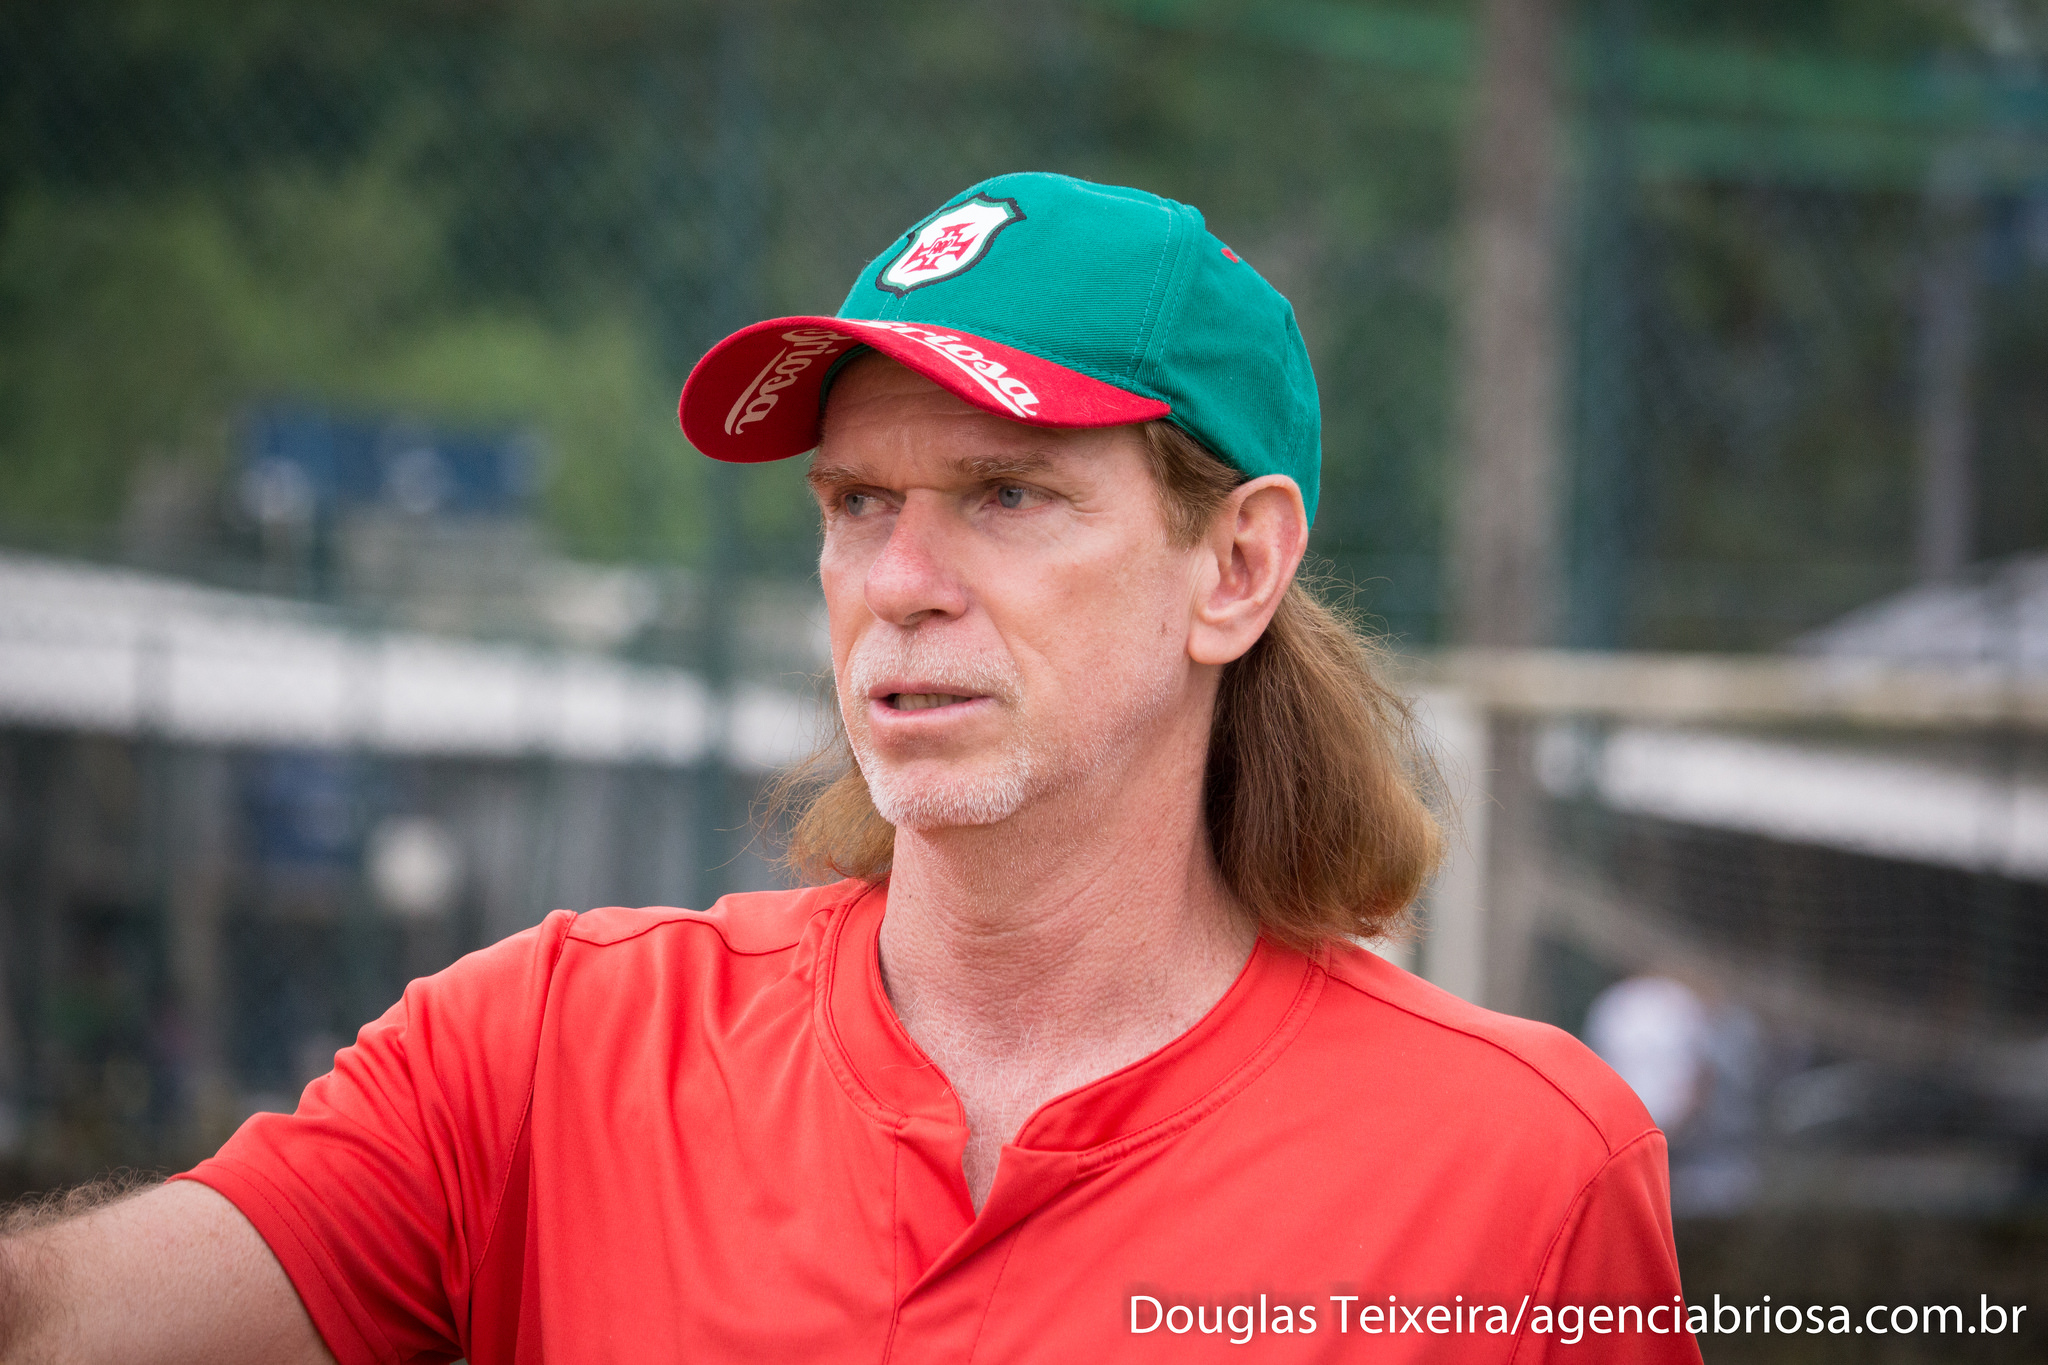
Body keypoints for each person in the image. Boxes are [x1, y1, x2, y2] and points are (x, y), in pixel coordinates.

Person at [0, 172, 1700, 1362]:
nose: (898, 581)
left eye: (1006, 494)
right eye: (857, 504)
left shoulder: (1520, 1169)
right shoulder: (543, 1053)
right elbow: (64, 1320)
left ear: (1237, 567)